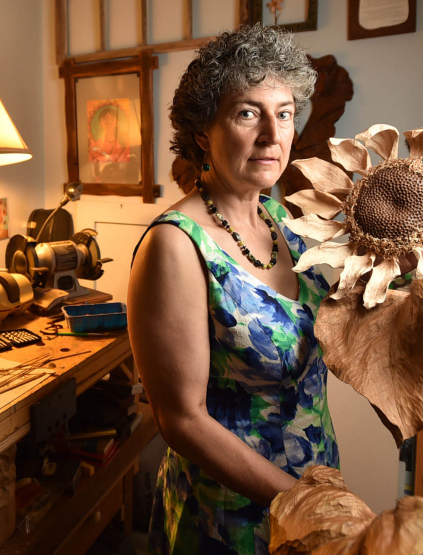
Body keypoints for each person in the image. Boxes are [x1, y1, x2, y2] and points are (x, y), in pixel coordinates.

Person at [127, 24, 336, 554]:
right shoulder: (175, 246)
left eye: (284, 113)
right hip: (231, 517)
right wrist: (303, 505)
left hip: (318, 489)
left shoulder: (288, 223)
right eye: (248, 113)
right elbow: (182, 419)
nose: (273, 134)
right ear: (203, 132)